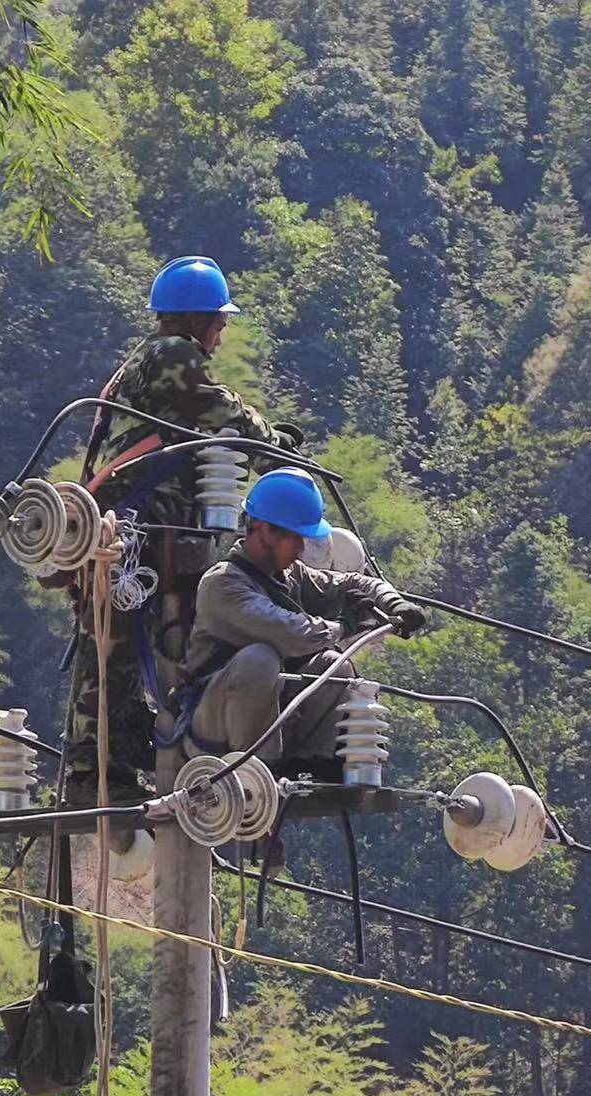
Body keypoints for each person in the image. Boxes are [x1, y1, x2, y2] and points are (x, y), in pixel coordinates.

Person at [63, 256, 301, 798]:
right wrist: (277, 449)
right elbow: (220, 410)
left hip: (138, 525)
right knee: (114, 650)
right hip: (132, 527)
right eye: (218, 322)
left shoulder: (142, 361)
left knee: (125, 644)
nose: (220, 335)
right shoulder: (172, 355)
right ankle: (95, 771)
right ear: (196, 321)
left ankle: (116, 760)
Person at [170, 468, 427, 771]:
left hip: (270, 728)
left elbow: (352, 583)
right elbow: (290, 633)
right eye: (294, 537)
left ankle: (309, 764)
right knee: (260, 659)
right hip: (211, 733)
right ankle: (257, 769)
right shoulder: (223, 585)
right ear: (264, 529)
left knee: (335, 665)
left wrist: (393, 602)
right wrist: (345, 625)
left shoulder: (292, 575)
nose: (301, 548)